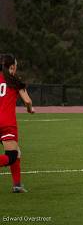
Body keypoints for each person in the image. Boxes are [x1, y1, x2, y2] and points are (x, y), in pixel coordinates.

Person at [0, 54, 34, 193]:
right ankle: (17, 186)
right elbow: (27, 101)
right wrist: (30, 110)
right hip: (6, 123)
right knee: (12, 156)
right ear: (12, 67)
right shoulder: (15, 81)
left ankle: (17, 185)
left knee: (17, 152)